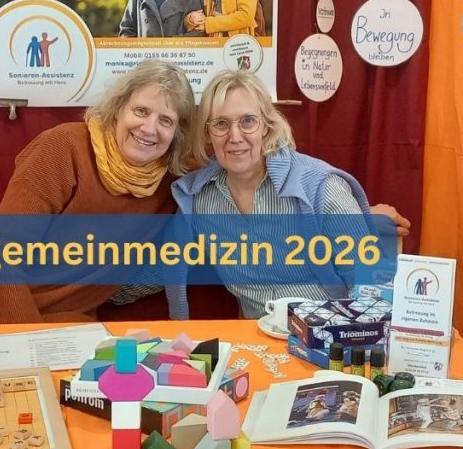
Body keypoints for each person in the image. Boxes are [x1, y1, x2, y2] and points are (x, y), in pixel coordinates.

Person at [0, 59, 196, 325]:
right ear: (118, 109)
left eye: (166, 121)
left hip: (63, 320)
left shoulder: (172, 183)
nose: (149, 128)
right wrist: (27, 337)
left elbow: (231, 160)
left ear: (177, 134)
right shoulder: (64, 147)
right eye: (141, 111)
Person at [167, 70, 410, 319]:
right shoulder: (199, 198)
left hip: (326, 338)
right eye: (221, 124)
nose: (235, 137)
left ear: (266, 125)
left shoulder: (322, 187)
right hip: (254, 341)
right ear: (208, 133)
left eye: (248, 121)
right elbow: (164, 263)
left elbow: (371, 290)